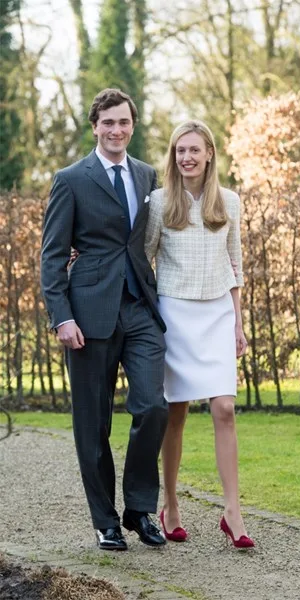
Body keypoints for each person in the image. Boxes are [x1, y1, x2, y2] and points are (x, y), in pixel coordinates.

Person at [41, 88, 168, 551]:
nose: (117, 130)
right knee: (92, 424)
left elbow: (151, 239)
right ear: (95, 126)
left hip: (140, 308)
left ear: (133, 125)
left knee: (153, 406)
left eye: (124, 122)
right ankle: (105, 520)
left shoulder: (147, 174)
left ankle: (138, 509)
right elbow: (52, 256)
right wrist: (61, 318)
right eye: (108, 122)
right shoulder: (71, 179)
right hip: (88, 315)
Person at [145, 120, 254, 549]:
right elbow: (143, 260)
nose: (186, 157)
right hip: (175, 313)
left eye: (194, 150)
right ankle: (169, 504)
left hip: (217, 315)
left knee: (224, 408)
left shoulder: (229, 202)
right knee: (176, 411)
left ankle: (233, 512)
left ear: (210, 153)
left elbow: (236, 266)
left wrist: (239, 324)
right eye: (179, 151)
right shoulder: (158, 203)